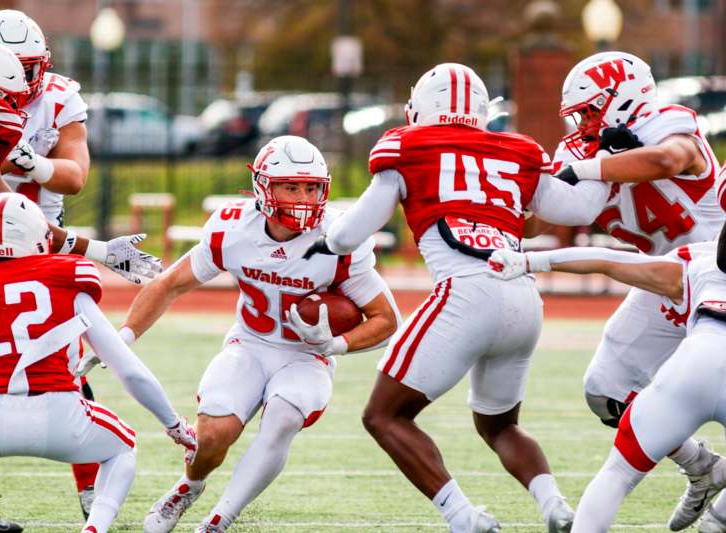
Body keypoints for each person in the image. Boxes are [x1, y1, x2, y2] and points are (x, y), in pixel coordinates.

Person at [303, 62, 622, 532]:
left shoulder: (407, 145)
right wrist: (600, 156)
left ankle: (464, 518)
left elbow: (356, 229)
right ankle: (555, 505)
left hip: (465, 293)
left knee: (384, 416)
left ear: (421, 108)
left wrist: (328, 243)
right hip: (523, 299)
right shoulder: (516, 150)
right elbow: (579, 208)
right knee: (500, 426)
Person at [83, 135, 400, 532]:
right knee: (214, 435)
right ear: (263, 187)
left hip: (306, 356)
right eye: (291, 186)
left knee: (283, 417)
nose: (303, 197)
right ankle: (189, 485)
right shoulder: (234, 230)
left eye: (311, 187)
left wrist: (333, 343)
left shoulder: (339, 239)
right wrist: (122, 340)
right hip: (250, 344)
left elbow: (386, 319)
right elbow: (170, 284)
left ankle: (219, 520)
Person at [0, 38, 161, 531]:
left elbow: (59, 183)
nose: (16, 106)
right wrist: (98, 251)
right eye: (7, 95)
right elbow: (18, 222)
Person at [0, 192, 197, 533]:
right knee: (124, 445)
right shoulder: (66, 275)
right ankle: (94, 528)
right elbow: (127, 369)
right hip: (61, 418)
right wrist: (174, 425)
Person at [549, 51, 725, 530]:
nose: (583, 124)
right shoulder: (586, 151)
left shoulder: (665, 123)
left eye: (590, 111)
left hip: (715, 276)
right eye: (579, 115)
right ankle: (703, 467)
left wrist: (590, 168)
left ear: (623, 98)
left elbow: (669, 158)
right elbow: (561, 207)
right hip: (666, 281)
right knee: (605, 391)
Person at [486, 223, 726, 532]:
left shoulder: (697, 267)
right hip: (693, 371)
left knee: (617, 474)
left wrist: (530, 261)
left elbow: (605, 260)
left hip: (688, 374)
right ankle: (718, 517)